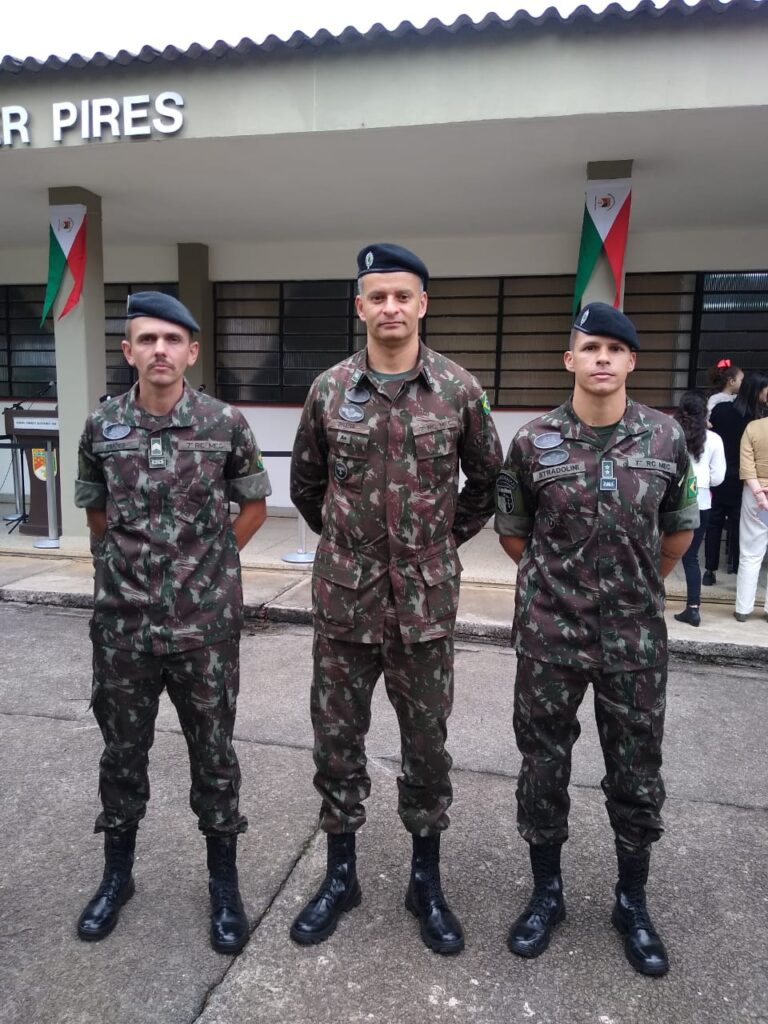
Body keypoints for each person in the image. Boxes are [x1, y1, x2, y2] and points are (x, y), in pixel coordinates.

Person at [289, 243, 502, 955]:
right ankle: (340, 876)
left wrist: (435, 542)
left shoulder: (459, 391)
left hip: (423, 607)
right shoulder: (328, 390)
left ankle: (425, 883)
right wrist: (352, 551)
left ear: (422, 304)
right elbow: (307, 489)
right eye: (376, 296)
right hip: (346, 606)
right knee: (338, 743)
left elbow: (489, 483)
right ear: (360, 307)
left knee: (427, 749)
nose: (389, 308)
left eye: (401, 296)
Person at [495, 302, 698, 977]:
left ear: (632, 361)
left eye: (616, 348)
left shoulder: (667, 439)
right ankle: (546, 892)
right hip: (550, 636)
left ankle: (631, 901)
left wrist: (636, 586)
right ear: (570, 360)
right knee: (543, 768)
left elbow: (678, 530)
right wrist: (564, 587)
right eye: (591, 347)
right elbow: (514, 533)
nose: (603, 358)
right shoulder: (532, 441)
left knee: (637, 773)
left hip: (633, 642)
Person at [74, 292, 271, 953]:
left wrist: (207, 569)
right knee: (122, 756)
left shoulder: (223, 424)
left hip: (203, 632)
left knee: (214, 759)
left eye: (172, 339)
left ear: (191, 351)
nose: (160, 350)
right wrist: (125, 575)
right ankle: (116, 877)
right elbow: (97, 515)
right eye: (146, 339)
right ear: (127, 351)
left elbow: (253, 506)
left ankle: (223, 886)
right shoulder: (102, 428)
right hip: (123, 630)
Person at [704, 371, 768, 585]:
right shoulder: (757, 419)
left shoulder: (721, 409)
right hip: (745, 479)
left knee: (714, 522)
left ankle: (709, 571)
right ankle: (736, 566)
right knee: (740, 524)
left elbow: (710, 434)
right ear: (757, 391)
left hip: (720, 474)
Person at [673, 391, 726, 627]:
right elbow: (718, 478)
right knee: (691, 557)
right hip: (701, 500)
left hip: (671, 501)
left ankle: (651, 602)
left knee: (656, 552)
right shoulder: (714, 440)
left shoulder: (672, 434)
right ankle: (693, 609)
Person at [734, 411, 768, 621]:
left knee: (750, 551)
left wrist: (760, 494)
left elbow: (747, 467)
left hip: (755, 495)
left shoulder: (753, 427)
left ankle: (743, 609)